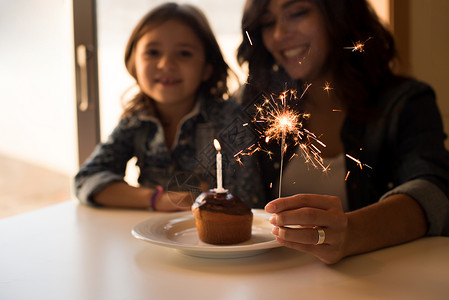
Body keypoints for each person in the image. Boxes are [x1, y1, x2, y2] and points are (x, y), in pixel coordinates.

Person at [237, 0, 449, 264]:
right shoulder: (260, 107)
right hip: (272, 278)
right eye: (268, 23)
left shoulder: (404, 102)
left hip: (380, 280)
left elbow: (435, 190)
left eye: (298, 13)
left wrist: (352, 232)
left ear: (338, 14)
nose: (279, 34)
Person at [74, 3, 264, 211]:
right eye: (153, 52)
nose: (166, 64)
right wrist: (157, 199)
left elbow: (250, 203)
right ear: (134, 63)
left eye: (184, 53)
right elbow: (86, 180)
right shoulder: (136, 119)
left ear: (207, 69)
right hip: (149, 234)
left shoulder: (229, 119)